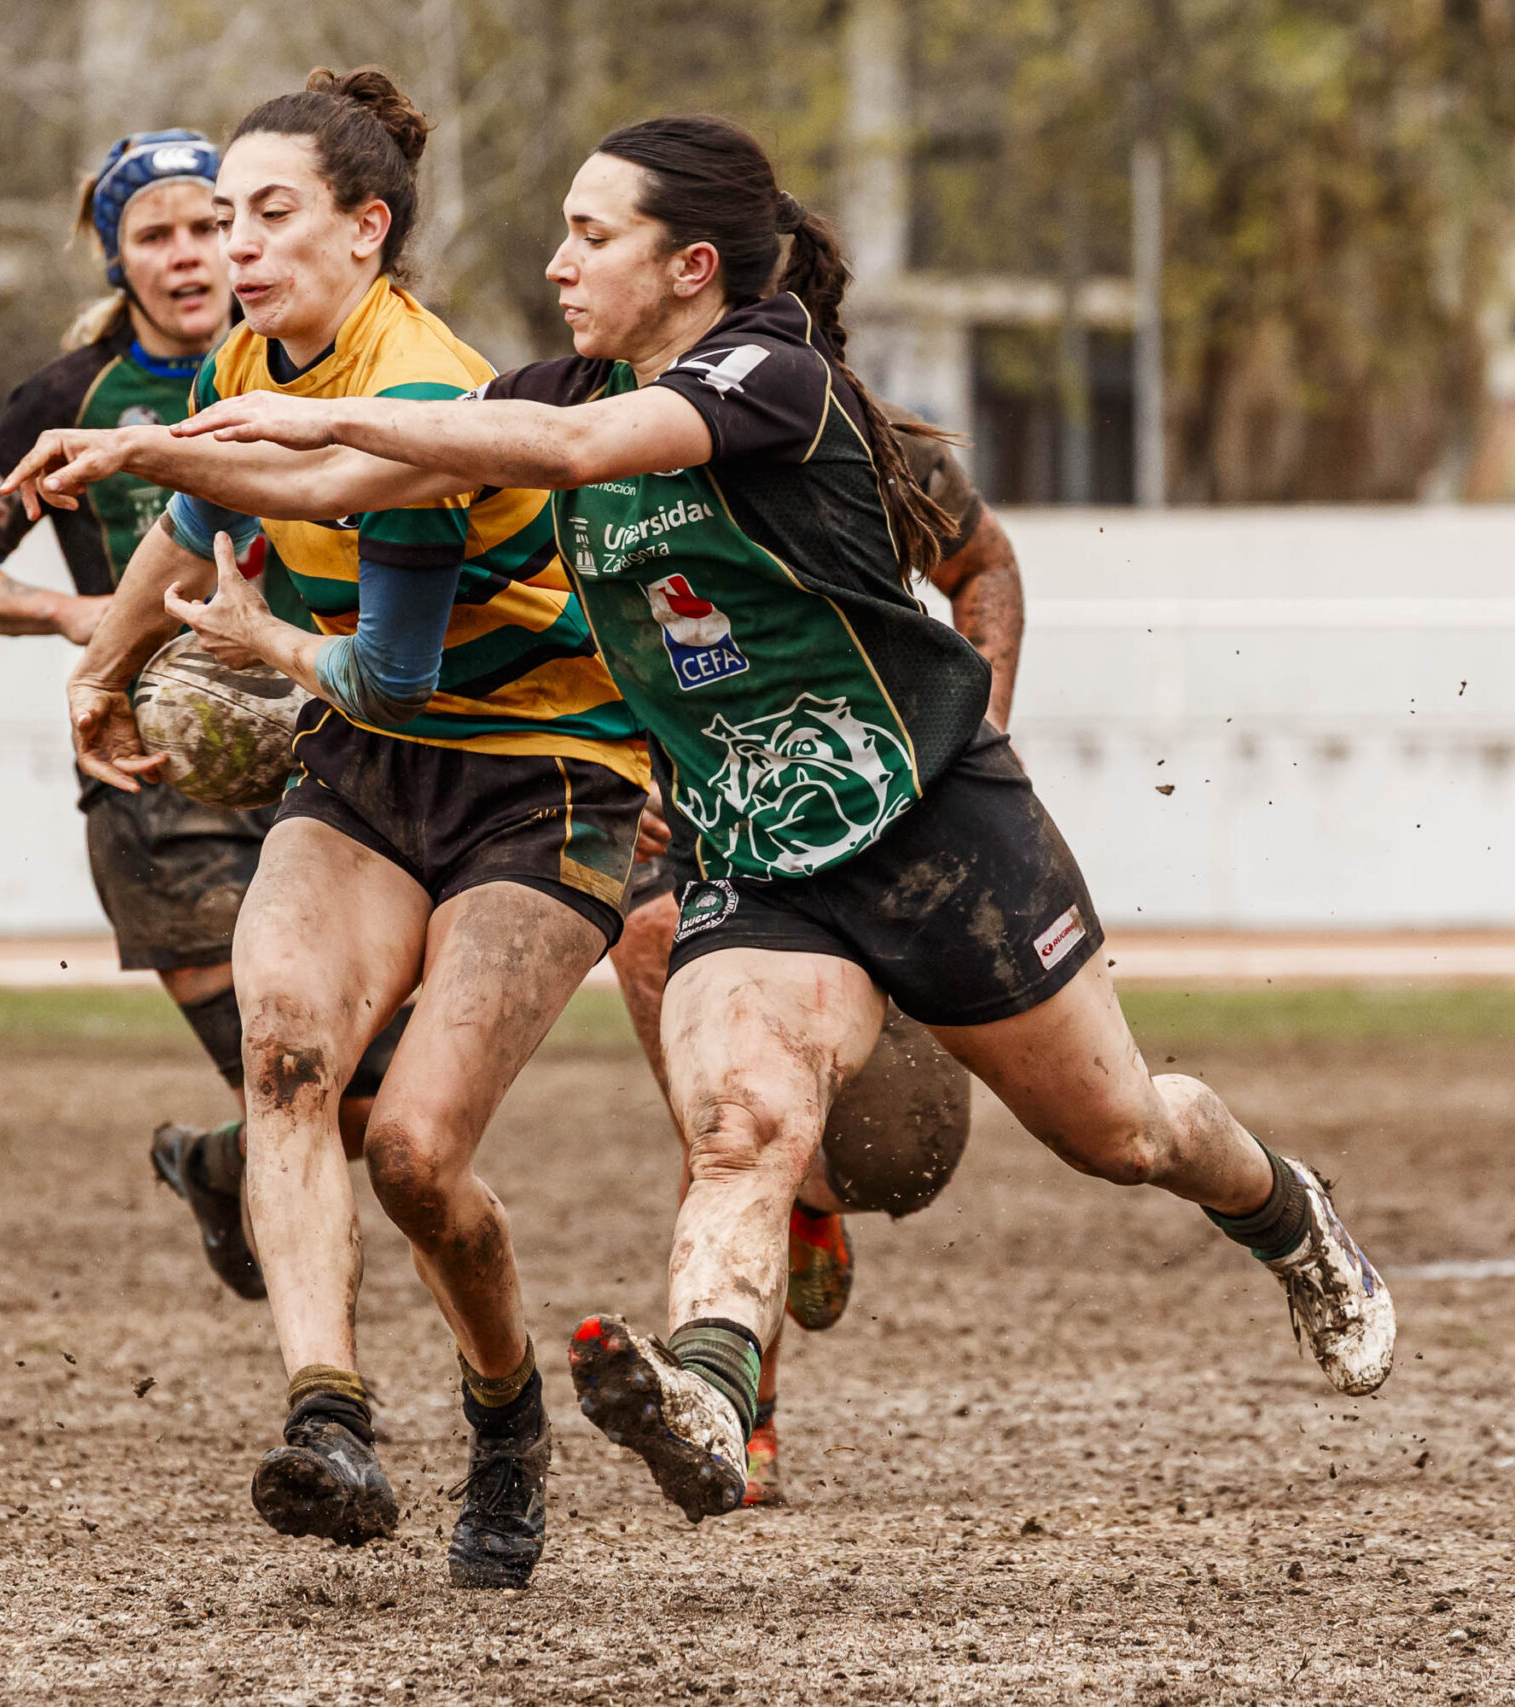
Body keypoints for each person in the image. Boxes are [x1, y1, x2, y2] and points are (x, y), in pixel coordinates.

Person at [149, 112, 1395, 1526]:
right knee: (745, 1119)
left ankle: (1289, 1216)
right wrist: (139, 454)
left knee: (1121, 1133)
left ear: (690, 265)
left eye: (590, 235)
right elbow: (347, 480)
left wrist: (321, 406)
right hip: (756, 854)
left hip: (938, 840)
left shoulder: (770, 375)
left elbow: (560, 447)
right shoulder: (564, 381)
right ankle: (708, 1389)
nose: (557, 262)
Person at [5, 69, 650, 1590]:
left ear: (368, 230)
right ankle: (330, 1414)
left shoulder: (426, 385)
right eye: (224, 216)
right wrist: (101, 674)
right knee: (286, 1054)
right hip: (367, 767)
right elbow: (197, 514)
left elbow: (392, 665)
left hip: (532, 772)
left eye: (271, 213)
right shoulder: (250, 348)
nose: (235, 243)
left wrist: (205, 552)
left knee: (419, 1157)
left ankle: (506, 1422)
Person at [0, 128, 408, 1301]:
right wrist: (73, 613)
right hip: (155, 781)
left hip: (320, 755)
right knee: (313, 1081)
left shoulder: (313, 363)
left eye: (209, 227)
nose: (191, 255)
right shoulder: (66, 395)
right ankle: (285, 1270)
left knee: (364, 1098)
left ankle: (214, 1164)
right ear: (116, 259)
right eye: (157, 235)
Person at [611, 419, 1024, 1506]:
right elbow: (535, 626)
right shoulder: (591, 448)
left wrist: (976, 734)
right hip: (697, 838)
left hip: (876, 825)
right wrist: (609, 765)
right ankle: (744, 1416)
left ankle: (811, 1203)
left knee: (909, 1164)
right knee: (724, 1118)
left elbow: (982, 563)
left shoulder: (872, 447)